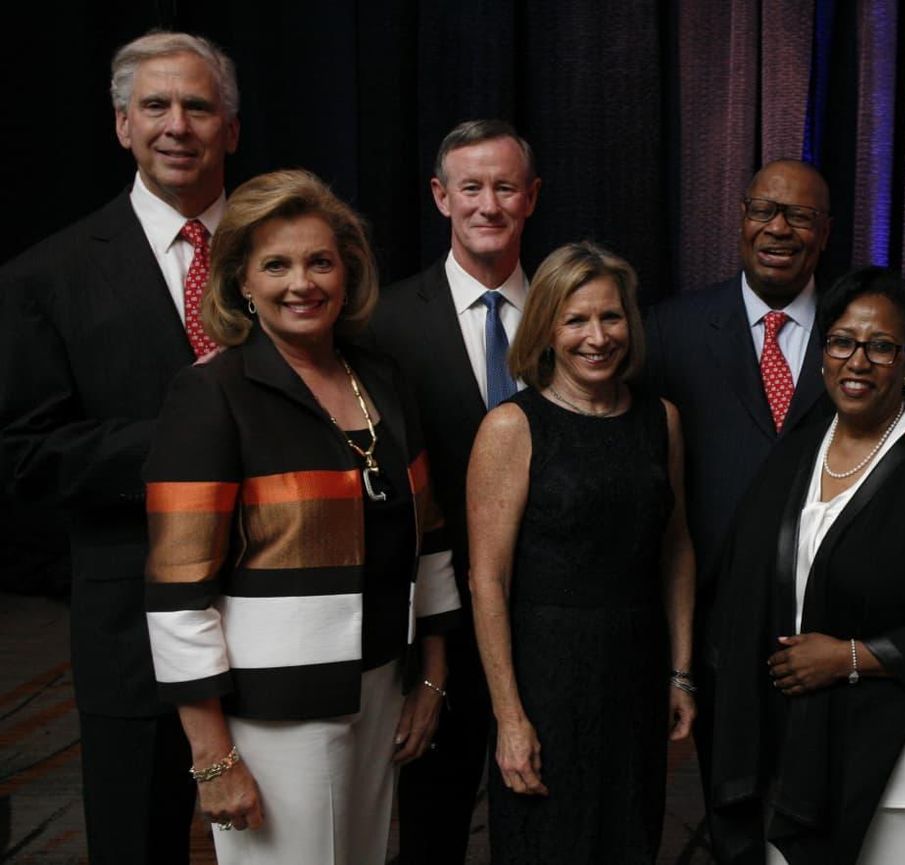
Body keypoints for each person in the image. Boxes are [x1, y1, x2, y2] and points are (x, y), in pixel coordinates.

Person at [143, 169, 461, 862]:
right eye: (276, 265)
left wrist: (430, 676)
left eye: (320, 262)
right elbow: (176, 593)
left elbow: (428, 535)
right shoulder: (212, 393)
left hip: (382, 686)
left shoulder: (381, 378)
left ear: (347, 274)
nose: (301, 283)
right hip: (275, 708)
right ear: (242, 280)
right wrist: (212, 756)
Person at [644, 158, 905, 808]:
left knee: (828, 811)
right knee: (733, 809)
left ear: (825, 232)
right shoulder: (670, 329)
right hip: (719, 624)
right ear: (740, 218)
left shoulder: (867, 325)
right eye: (764, 210)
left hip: (840, 630)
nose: (779, 228)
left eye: (800, 216)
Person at [0, 31, 240, 864]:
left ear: (231, 129)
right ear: (121, 124)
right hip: (130, 624)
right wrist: (188, 445)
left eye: (198, 106)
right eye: (155, 106)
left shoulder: (293, 256)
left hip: (285, 611)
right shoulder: (46, 275)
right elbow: (23, 454)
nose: (177, 125)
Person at [710, 266, 905, 865]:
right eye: (841, 341)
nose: (857, 361)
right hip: (806, 745)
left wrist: (851, 656)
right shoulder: (802, 448)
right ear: (823, 352)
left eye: (881, 346)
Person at [468, 241, 697, 864]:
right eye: (576, 320)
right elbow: (487, 581)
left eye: (611, 316)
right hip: (546, 681)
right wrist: (509, 717)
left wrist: (680, 673)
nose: (597, 337)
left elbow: (676, 550)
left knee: (631, 840)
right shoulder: (511, 427)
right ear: (546, 328)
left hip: (636, 676)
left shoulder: (662, 421)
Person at [368, 118, 541, 864]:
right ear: (441, 197)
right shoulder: (381, 323)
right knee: (432, 827)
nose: (488, 205)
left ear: (531, 197)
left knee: (545, 821)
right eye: (471, 188)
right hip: (433, 621)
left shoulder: (574, 314)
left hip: (550, 614)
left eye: (505, 187)